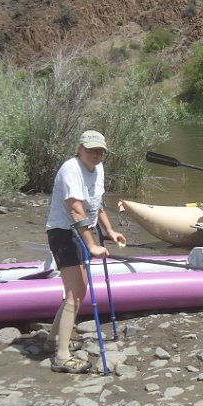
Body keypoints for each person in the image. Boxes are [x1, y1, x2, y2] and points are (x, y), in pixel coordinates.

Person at [45, 130, 126, 374]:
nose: (96, 154)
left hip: (80, 232)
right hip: (63, 233)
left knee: (77, 291)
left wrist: (110, 231)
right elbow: (76, 209)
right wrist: (91, 245)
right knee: (75, 293)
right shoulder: (71, 169)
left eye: (100, 151)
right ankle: (62, 357)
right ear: (80, 149)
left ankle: (53, 339)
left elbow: (96, 204)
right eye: (91, 150)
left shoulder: (98, 168)